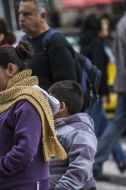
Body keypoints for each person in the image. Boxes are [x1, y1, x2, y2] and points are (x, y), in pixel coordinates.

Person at [0, 41, 67, 190]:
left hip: (24, 184)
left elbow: (24, 152)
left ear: (10, 68)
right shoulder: (10, 99)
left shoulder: (27, 102)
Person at [80, 14, 126, 180]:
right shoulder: (98, 44)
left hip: (91, 93)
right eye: (103, 24)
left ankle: (120, 160)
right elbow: (101, 72)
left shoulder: (85, 44)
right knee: (98, 129)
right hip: (96, 94)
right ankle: (93, 163)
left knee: (112, 125)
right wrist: (105, 93)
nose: (106, 27)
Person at [94, 3, 126, 180]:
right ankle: (96, 162)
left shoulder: (121, 23)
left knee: (116, 124)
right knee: (115, 124)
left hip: (122, 82)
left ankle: (97, 162)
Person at [48, 80, 97, 190]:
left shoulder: (80, 132)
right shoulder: (53, 128)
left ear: (61, 107)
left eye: (48, 103)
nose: (45, 106)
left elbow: (80, 168)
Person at [18, 0, 76, 90]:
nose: (21, 18)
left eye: (27, 14)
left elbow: (67, 86)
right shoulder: (23, 41)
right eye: (20, 13)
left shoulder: (56, 42)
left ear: (43, 16)